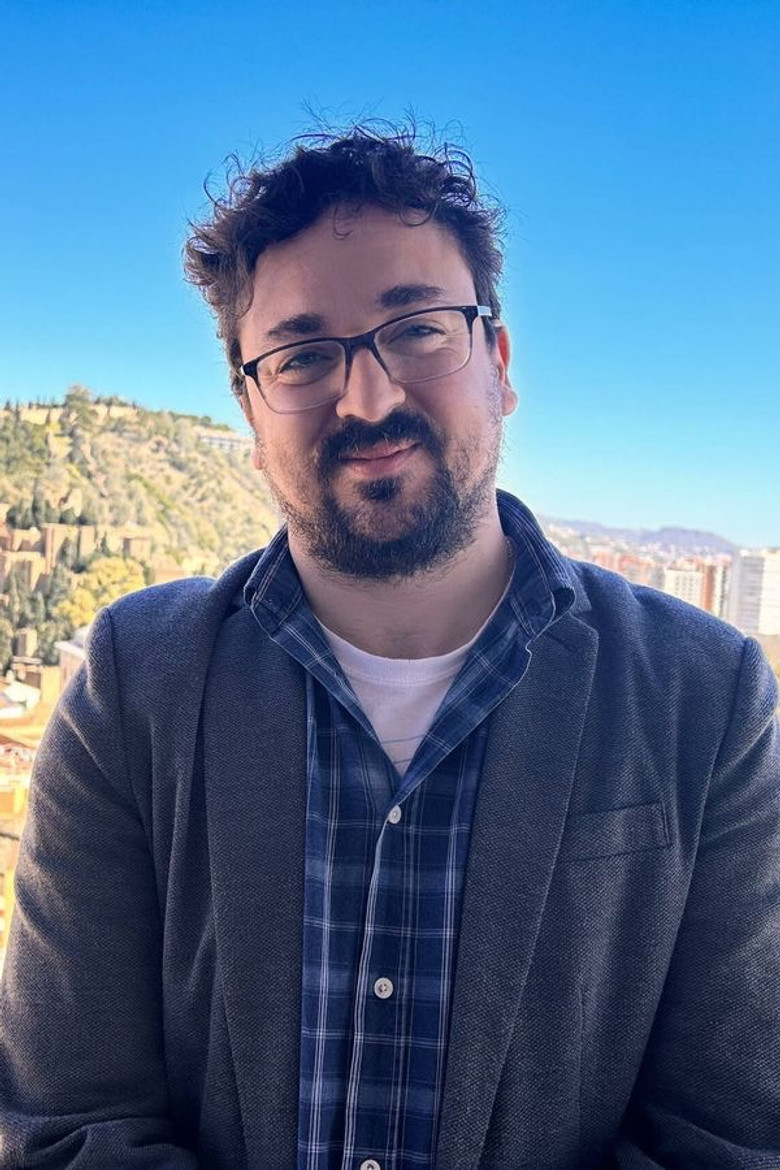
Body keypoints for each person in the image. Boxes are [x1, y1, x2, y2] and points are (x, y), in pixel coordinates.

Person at [1, 127, 779, 1170]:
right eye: (302, 355)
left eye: (416, 329)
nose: (368, 399)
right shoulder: (133, 684)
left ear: (499, 363)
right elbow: (66, 1123)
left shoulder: (707, 697)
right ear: (249, 410)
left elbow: (729, 1134)